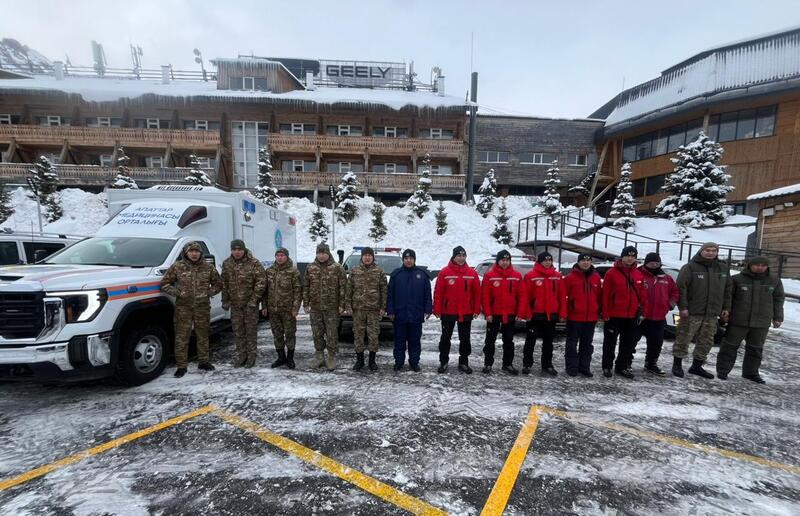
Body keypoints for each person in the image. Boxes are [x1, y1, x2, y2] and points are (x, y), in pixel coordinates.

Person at [716, 256, 784, 384]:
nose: (760, 267)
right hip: (738, 320)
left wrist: (778, 317)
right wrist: (725, 312)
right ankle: (723, 370)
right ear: (750, 266)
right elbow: (728, 298)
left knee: (755, 349)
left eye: (763, 265)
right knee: (729, 347)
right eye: (756, 265)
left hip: (761, 322)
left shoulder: (774, 281)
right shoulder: (737, 279)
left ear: (767, 267)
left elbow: (778, 300)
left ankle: (751, 373)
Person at [160, 241, 222, 378]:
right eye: (191, 251)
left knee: (203, 335)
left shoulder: (208, 267)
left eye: (197, 251)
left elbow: (218, 284)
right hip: (183, 308)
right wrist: (177, 293)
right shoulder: (177, 266)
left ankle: (204, 362)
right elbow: (164, 284)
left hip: (202, 307)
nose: (194, 254)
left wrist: (208, 293)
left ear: (200, 253)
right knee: (182, 337)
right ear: (186, 253)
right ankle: (181, 366)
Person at [673, 242, 731, 379]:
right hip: (692, 312)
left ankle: (697, 366)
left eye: (714, 251)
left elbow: (728, 290)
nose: (711, 253)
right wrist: (683, 307)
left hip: (712, 313)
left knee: (707, 341)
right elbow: (681, 288)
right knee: (684, 338)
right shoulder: (690, 267)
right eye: (707, 250)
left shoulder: (723, 268)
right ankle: (677, 364)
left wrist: (726, 308)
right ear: (701, 251)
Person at [601, 246, 648, 379]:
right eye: (628, 256)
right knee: (610, 343)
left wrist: (643, 312)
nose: (630, 258)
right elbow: (605, 295)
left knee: (627, 343)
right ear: (622, 257)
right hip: (614, 315)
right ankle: (607, 366)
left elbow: (643, 296)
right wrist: (605, 313)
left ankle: (621, 367)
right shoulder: (611, 273)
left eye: (633, 256)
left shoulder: (639, 275)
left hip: (631, 316)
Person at [433, 246, 481, 374]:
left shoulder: (472, 273)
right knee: (445, 338)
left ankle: (464, 362)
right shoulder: (445, 272)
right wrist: (437, 308)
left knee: (465, 339)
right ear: (453, 257)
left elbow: (477, 293)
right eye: (458, 256)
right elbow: (438, 292)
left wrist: (476, 309)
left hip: (466, 311)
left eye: (463, 256)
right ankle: (443, 361)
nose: (461, 258)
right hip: (448, 311)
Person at [221, 239, 266, 368]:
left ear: (244, 249)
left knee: (250, 332)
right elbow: (224, 284)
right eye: (234, 249)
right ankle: (242, 356)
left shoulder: (253, 263)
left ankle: (251, 357)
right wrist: (225, 300)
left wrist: (253, 300)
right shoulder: (227, 264)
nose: (237, 252)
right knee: (238, 332)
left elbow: (261, 282)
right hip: (236, 305)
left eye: (239, 249)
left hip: (250, 305)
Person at [522, 251, 567, 376]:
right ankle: (527, 364)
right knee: (530, 341)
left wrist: (562, 313)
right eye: (545, 260)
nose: (547, 262)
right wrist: (527, 313)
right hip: (535, 315)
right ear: (540, 262)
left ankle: (547, 365)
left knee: (548, 342)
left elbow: (562, 296)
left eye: (549, 260)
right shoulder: (530, 276)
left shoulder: (557, 276)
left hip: (551, 315)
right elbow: (525, 297)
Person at [303, 243, 346, 371]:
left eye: (324, 253)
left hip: (332, 308)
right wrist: (306, 303)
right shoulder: (310, 268)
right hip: (315, 308)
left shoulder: (337, 268)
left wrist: (342, 304)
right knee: (317, 333)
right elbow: (305, 286)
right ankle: (319, 357)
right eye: (319, 253)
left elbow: (343, 287)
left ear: (328, 254)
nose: (321, 256)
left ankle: (331, 357)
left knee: (332, 334)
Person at [387, 249, 432, 372]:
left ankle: (414, 362)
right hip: (400, 314)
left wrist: (428, 309)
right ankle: (399, 362)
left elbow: (427, 294)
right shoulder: (396, 275)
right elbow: (390, 295)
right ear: (403, 260)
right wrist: (390, 310)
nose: (408, 260)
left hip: (416, 314)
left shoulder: (422, 275)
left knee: (415, 341)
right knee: (399, 341)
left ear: (414, 260)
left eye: (411, 258)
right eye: (406, 258)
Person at [481, 250, 525, 375]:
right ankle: (488, 364)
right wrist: (488, 313)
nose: (505, 262)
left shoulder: (516, 276)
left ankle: (507, 364)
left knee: (509, 341)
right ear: (498, 261)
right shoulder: (489, 275)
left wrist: (520, 313)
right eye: (502, 260)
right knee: (490, 341)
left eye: (507, 260)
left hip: (510, 313)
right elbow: (485, 296)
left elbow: (522, 296)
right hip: (494, 314)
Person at [346, 247, 388, 372]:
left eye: (370, 255)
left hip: (374, 310)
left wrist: (383, 307)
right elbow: (349, 289)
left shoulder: (379, 272)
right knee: (358, 336)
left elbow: (384, 291)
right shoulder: (354, 271)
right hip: (358, 310)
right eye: (365, 255)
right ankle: (359, 361)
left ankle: (372, 361)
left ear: (373, 257)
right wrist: (348, 305)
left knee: (373, 336)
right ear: (362, 257)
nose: (367, 257)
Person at [637, 252, 679, 376]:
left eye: (657, 263)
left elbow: (675, 292)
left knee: (656, 343)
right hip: (640, 316)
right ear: (646, 263)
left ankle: (651, 364)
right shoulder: (638, 274)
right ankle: (626, 363)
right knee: (631, 341)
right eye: (651, 263)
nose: (654, 265)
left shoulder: (666, 278)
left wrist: (670, 304)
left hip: (659, 317)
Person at [563, 253, 602, 377]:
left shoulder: (596, 278)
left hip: (590, 318)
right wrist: (564, 313)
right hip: (574, 317)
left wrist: (599, 311)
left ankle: (584, 367)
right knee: (572, 344)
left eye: (588, 260)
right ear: (578, 262)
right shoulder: (570, 278)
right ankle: (572, 367)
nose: (586, 263)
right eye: (583, 260)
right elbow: (563, 297)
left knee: (587, 344)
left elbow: (599, 297)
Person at [262, 247, 302, 369]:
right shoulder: (269, 271)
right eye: (278, 255)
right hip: (273, 310)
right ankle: (281, 357)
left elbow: (298, 291)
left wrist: (295, 308)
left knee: (290, 334)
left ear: (287, 257)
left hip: (288, 310)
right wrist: (264, 306)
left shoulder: (293, 271)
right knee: (277, 334)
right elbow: (265, 291)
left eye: (282, 255)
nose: (280, 258)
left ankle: (290, 358)